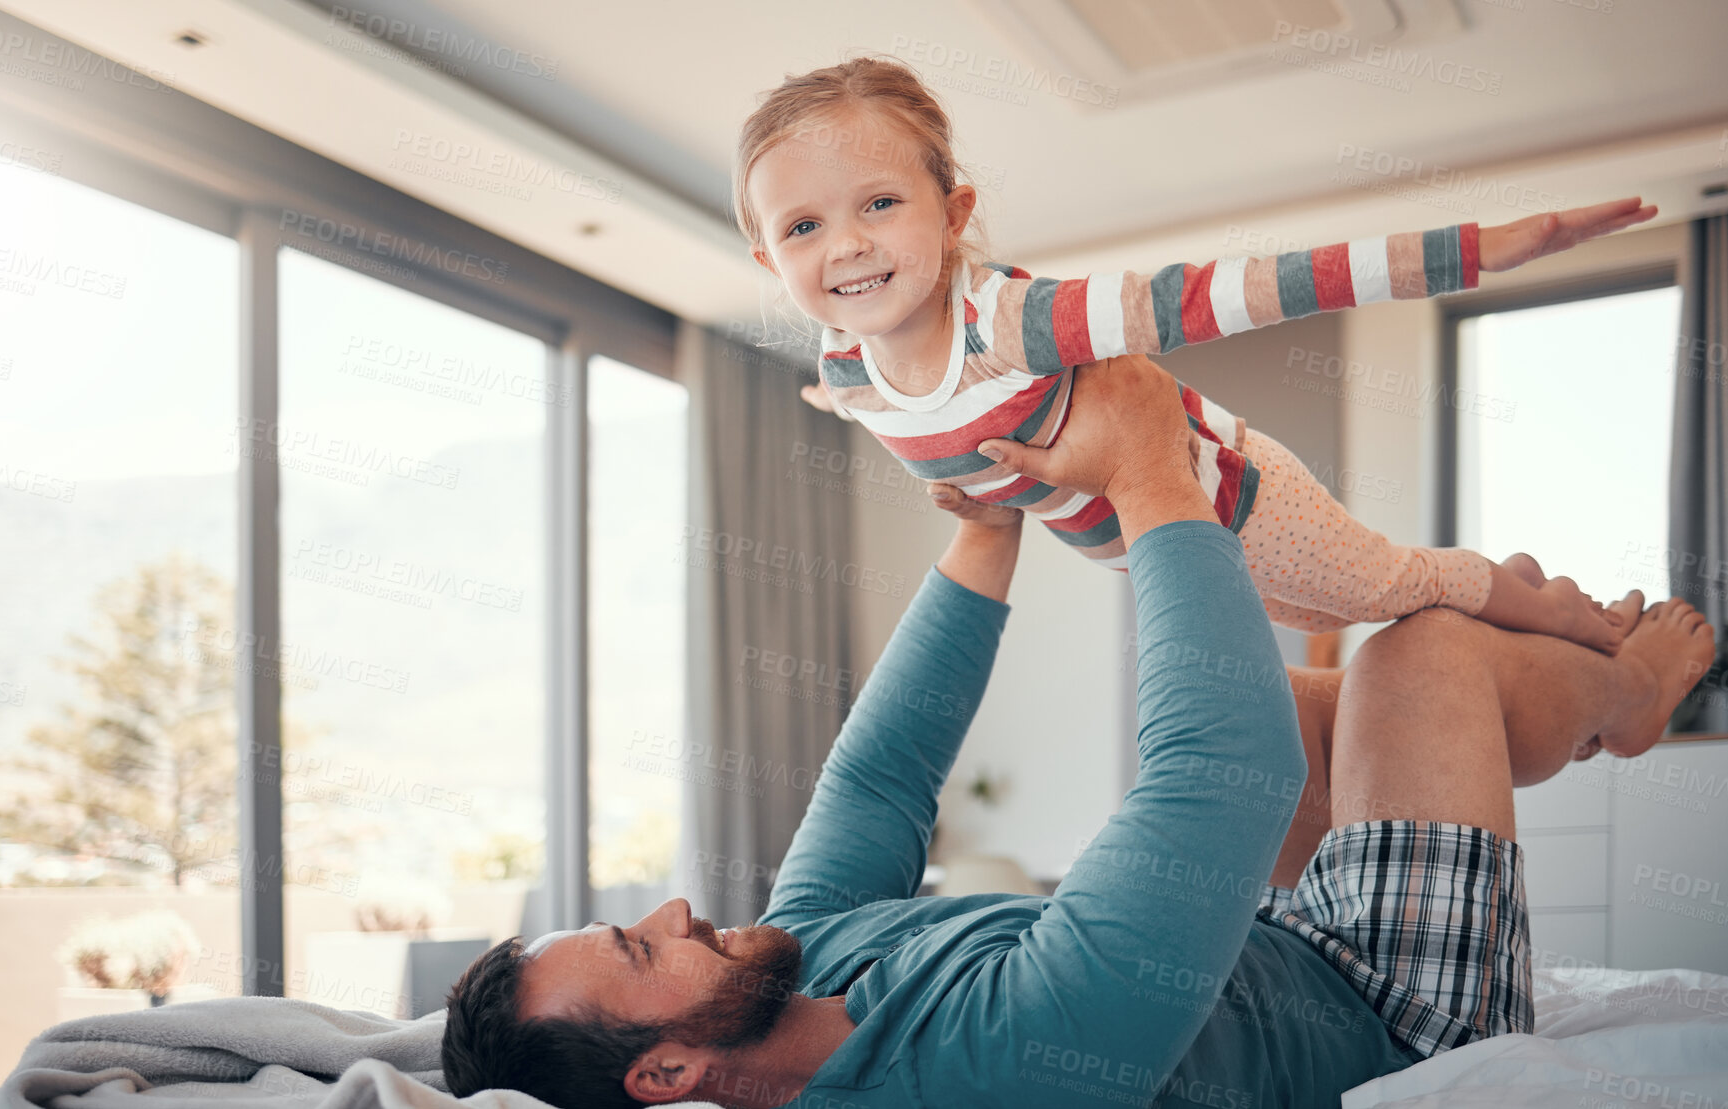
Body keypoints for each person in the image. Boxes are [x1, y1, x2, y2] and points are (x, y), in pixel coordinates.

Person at [439, 354, 1716, 1108]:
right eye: (637, 949)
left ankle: (1541, 677)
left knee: (1304, 697)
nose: (671, 910)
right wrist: (1151, 467)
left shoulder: (792, 955)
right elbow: (1223, 776)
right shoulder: (984, 1072)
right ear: (662, 1075)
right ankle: (1627, 700)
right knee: (1413, 651)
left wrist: (980, 528)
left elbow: (879, 778)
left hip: (1276, 944)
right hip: (1392, 1009)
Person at [733, 55, 1659, 654]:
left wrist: (1470, 251)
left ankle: (1558, 614)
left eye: (880, 204)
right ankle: (1524, 582)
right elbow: (847, 395)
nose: (846, 246)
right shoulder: (848, 366)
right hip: (1152, 555)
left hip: (1238, 504)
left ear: (954, 214)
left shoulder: (1014, 323)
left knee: (1395, 587)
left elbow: (1232, 290)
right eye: (805, 225)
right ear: (770, 258)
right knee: (1333, 617)